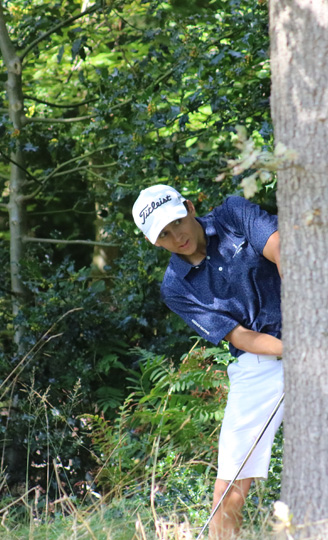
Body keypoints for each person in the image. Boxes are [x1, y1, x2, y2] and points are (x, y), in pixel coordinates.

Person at [132, 184, 283, 539]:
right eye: (164, 235)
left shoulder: (233, 214)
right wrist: (292, 349)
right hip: (258, 363)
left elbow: (280, 249)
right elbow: (238, 336)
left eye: (177, 222)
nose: (177, 236)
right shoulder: (175, 287)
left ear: (189, 206)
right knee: (230, 483)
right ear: (155, 242)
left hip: (317, 327)